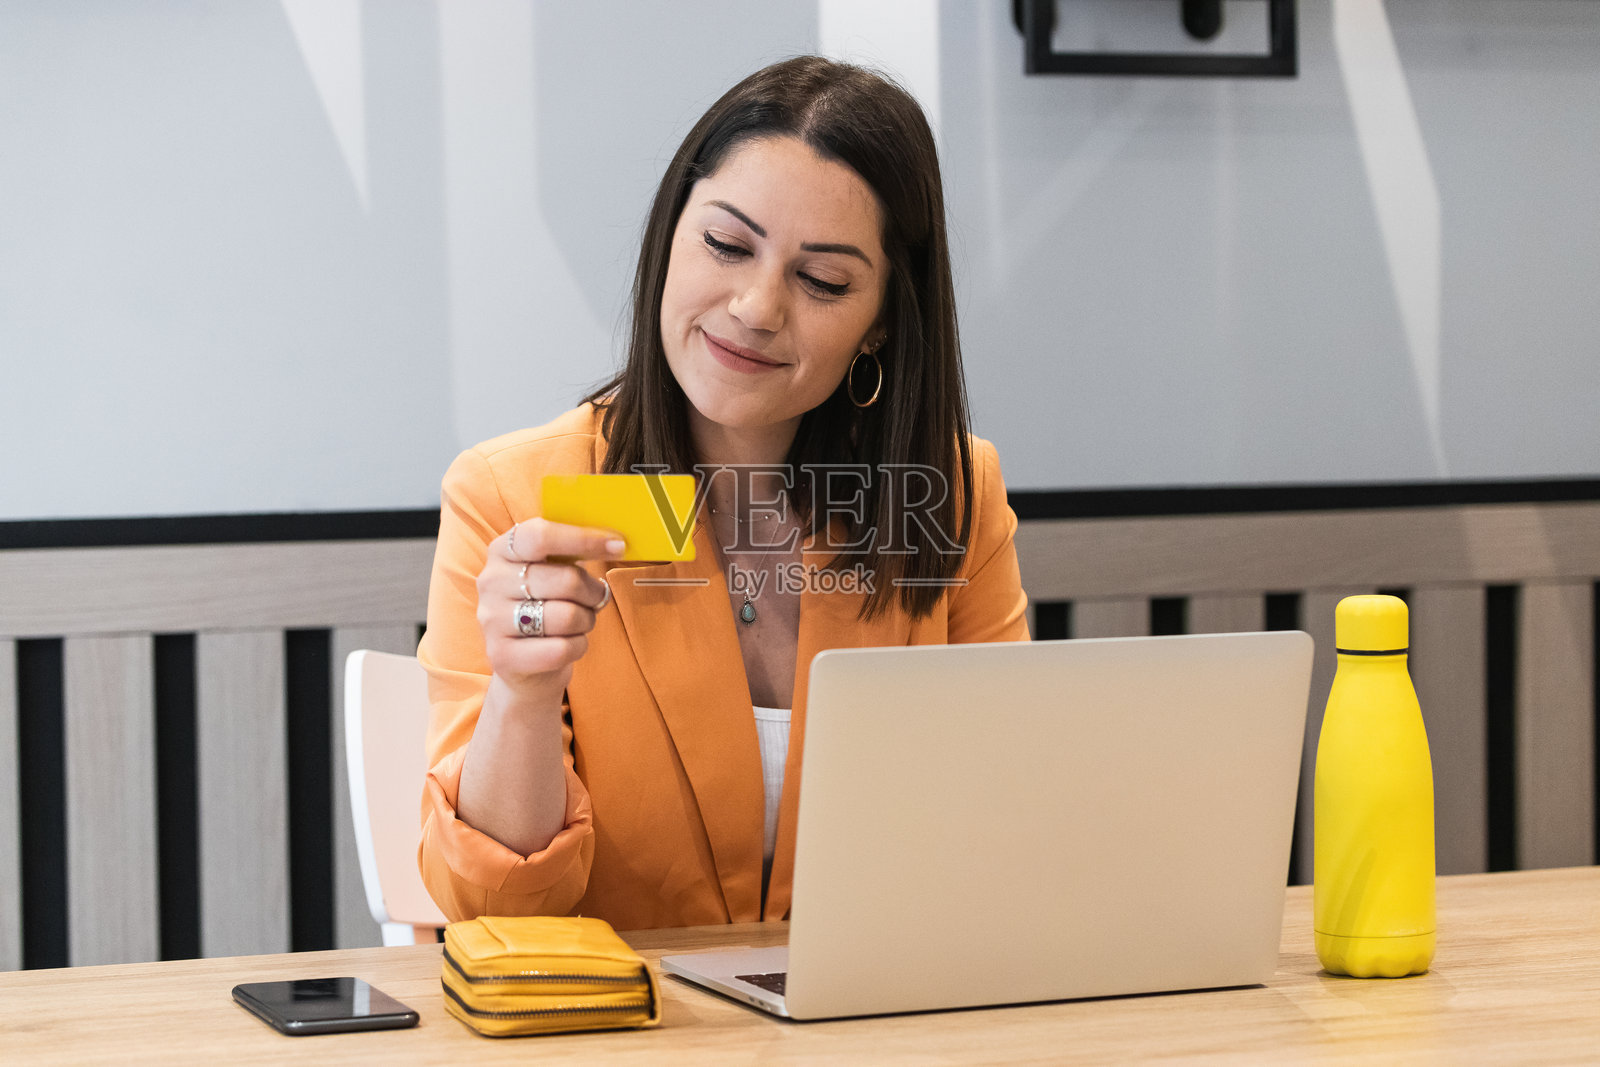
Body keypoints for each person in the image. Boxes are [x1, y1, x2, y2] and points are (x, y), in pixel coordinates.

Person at [419, 55, 1030, 929]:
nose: (755, 307)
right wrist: (521, 692)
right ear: (671, 234)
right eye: (727, 244)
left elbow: (999, 834)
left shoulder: (954, 495)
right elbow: (493, 907)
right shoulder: (517, 496)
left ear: (885, 321)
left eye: (822, 281)